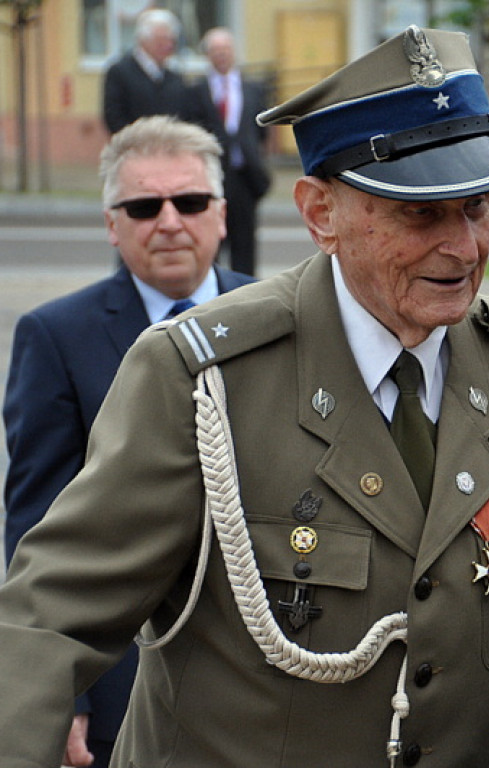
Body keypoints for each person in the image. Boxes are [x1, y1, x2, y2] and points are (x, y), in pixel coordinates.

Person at [0, 26, 489, 766]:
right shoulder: (205, 382)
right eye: (421, 214)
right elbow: (49, 619)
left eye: (476, 208)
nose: (464, 248)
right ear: (319, 213)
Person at [2, 115, 254, 768]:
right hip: (122, 677)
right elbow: (40, 518)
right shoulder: (56, 336)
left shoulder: (278, 321)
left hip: (263, 674)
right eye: (144, 206)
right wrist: (62, 694)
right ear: (113, 226)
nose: (169, 221)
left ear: (221, 215)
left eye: (190, 202)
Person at [184, 27, 271, 276]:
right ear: (208, 55)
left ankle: (245, 292)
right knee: (211, 243)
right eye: (215, 51)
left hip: (245, 177)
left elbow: (261, 133)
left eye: (226, 50)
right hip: (212, 178)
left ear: (234, 53)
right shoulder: (195, 91)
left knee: (245, 246)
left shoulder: (253, 89)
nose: (221, 55)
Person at [102, 8, 188, 135]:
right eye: (161, 40)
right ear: (143, 40)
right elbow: (114, 116)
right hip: (134, 147)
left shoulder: (175, 77)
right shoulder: (120, 72)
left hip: (169, 148)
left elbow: (183, 115)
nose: (167, 46)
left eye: (171, 40)